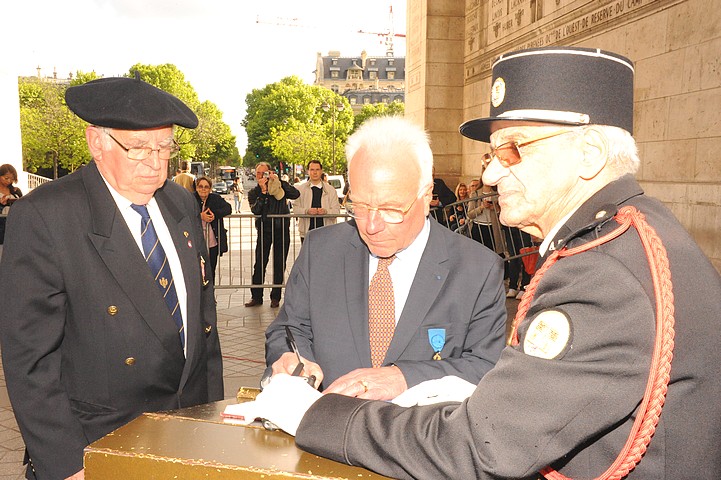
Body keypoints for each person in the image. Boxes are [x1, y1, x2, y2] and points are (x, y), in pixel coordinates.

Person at [238, 47, 721, 479]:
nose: (489, 172)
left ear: (589, 153)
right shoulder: (633, 234)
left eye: (513, 149)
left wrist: (312, 415)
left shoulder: (602, 275)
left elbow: (483, 445)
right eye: (493, 153)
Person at [0, 75, 224, 480]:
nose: (156, 164)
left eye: (164, 147)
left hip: (187, 438)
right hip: (100, 446)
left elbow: (203, 330)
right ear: (96, 142)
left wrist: (212, 424)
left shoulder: (179, 202)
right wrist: (68, 463)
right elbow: (29, 360)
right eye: (138, 148)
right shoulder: (46, 216)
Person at [263, 116, 507, 400]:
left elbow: (484, 366)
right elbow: (288, 328)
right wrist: (290, 359)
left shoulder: (477, 269)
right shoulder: (320, 251)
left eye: (391, 209)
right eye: (360, 206)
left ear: (427, 196)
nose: (371, 225)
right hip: (325, 434)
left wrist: (404, 378)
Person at [245, 162, 300, 308]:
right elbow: (256, 210)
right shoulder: (254, 192)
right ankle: (256, 296)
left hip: (281, 230)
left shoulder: (279, 187)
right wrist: (263, 193)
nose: (262, 176)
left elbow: (296, 194)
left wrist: (279, 181)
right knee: (260, 263)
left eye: (265, 173)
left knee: (279, 264)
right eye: (259, 173)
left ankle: (275, 297)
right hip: (264, 230)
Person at [194, 176, 232, 282]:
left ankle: (210, 296)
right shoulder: (191, 199)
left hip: (212, 242)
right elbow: (184, 214)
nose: (203, 189)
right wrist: (200, 216)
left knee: (211, 271)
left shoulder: (215, 198)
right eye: (200, 186)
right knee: (197, 272)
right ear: (196, 188)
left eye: (206, 187)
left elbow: (228, 208)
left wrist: (214, 215)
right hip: (196, 243)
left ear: (210, 189)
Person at [293, 160, 341, 243]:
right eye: (312, 170)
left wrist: (326, 211)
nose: (315, 172)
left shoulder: (331, 190)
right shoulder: (300, 189)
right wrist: (306, 211)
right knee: (308, 256)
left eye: (317, 170)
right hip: (306, 233)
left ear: (321, 171)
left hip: (327, 233)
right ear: (308, 171)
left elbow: (336, 211)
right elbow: (295, 209)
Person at [0, 164, 23, 260]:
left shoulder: (15, 191)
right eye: (6, 178)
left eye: (12, 179)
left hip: (14, 226)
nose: (9, 181)